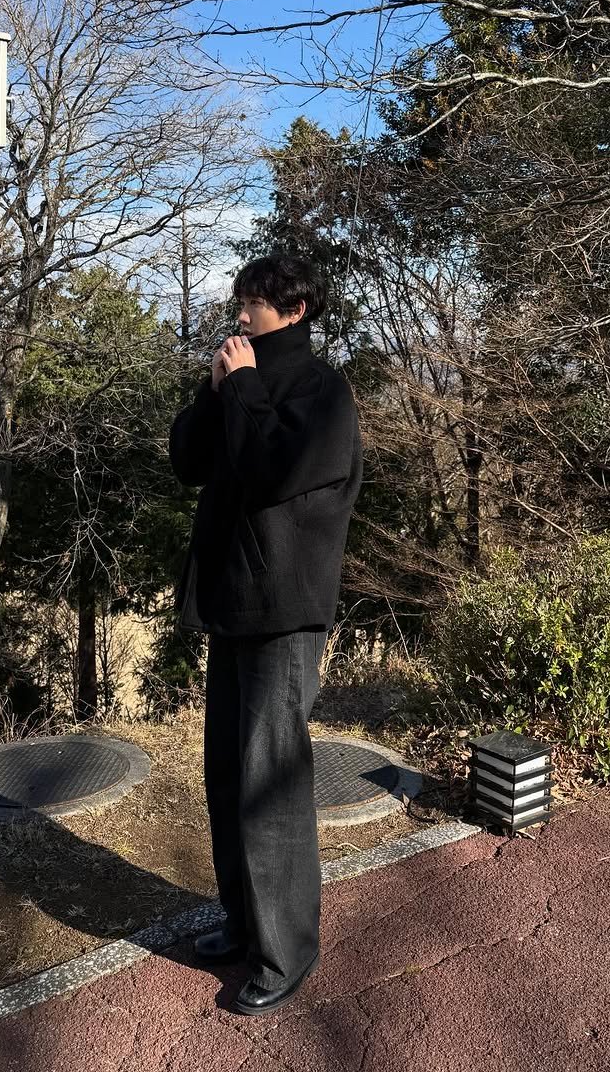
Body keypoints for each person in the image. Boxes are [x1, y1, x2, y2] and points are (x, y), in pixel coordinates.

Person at [168, 252, 363, 1016]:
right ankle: (244, 922)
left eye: (256, 302)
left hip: (285, 611)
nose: (242, 312)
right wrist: (214, 393)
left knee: (269, 782)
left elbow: (271, 471)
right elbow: (189, 461)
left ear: (297, 312)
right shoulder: (234, 378)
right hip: (232, 603)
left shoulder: (321, 390)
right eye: (242, 297)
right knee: (225, 773)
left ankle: (287, 953)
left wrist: (242, 386)